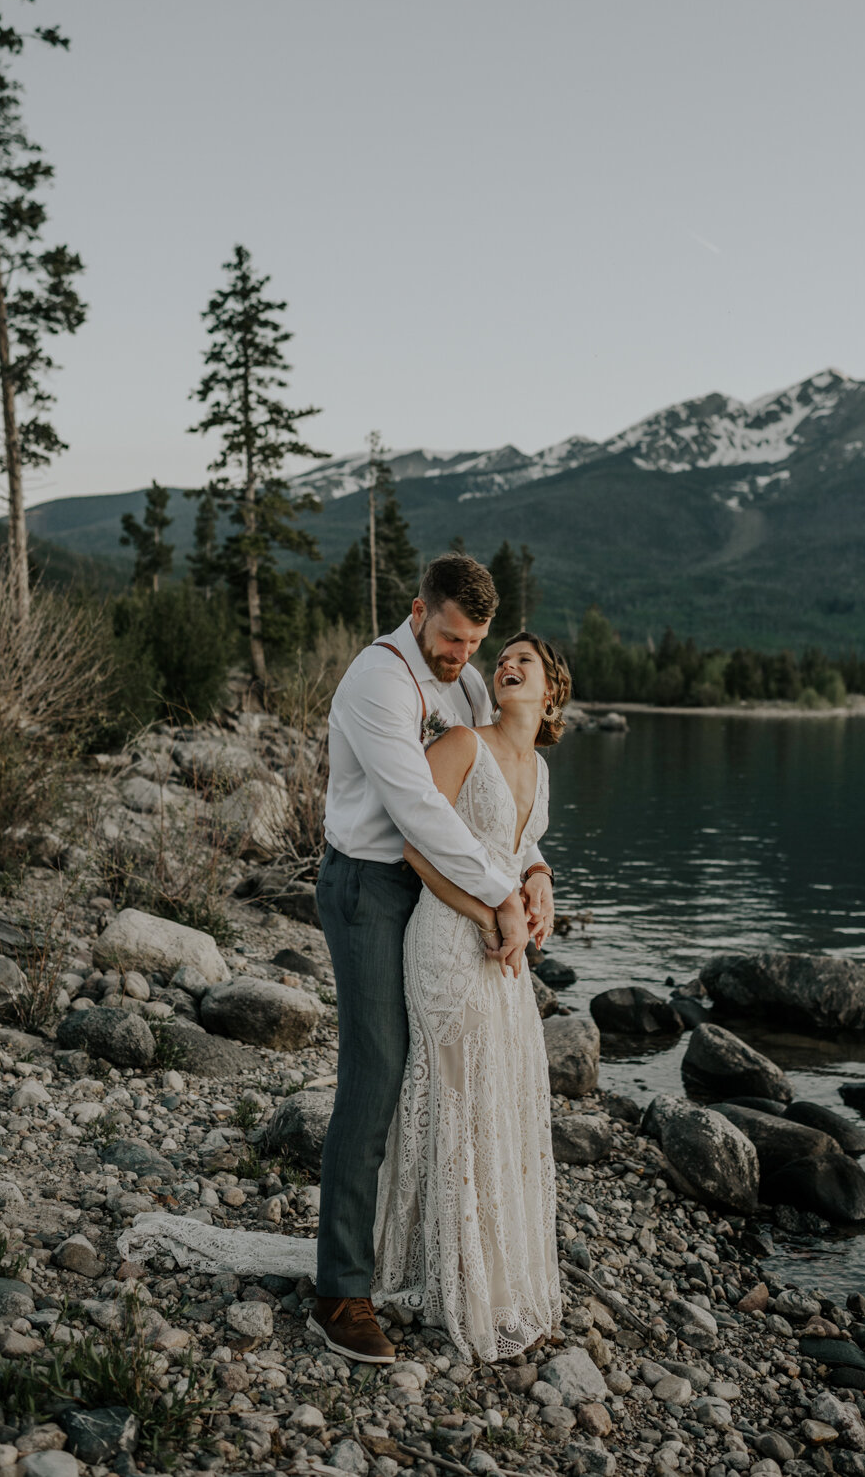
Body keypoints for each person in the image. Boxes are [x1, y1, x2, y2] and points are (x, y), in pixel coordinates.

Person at [308, 555, 555, 1364]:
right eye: (451, 638)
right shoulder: (378, 682)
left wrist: (533, 874)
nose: (463, 655)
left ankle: (420, 1251)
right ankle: (341, 1292)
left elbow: (493, 802)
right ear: (419, 612)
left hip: (441, 896)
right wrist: (499, 896)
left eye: (475, 641)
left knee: (435, 1084)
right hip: (370, 888)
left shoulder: (470, 680)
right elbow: (415, 808)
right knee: (376, 1076)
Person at [372, 631, 571, 1362]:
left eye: (528, 661)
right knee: (451, 1098)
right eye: (504, 658)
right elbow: (415, 844)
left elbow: (519, 848)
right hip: (448, 940)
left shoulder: (538, 768)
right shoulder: (461, 741)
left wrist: (540, 880)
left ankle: (479, 1274)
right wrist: (490, 911)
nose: (509, 665)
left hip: (504, 950)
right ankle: (441, 1279)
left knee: (493, 1102)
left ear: (551, 690)